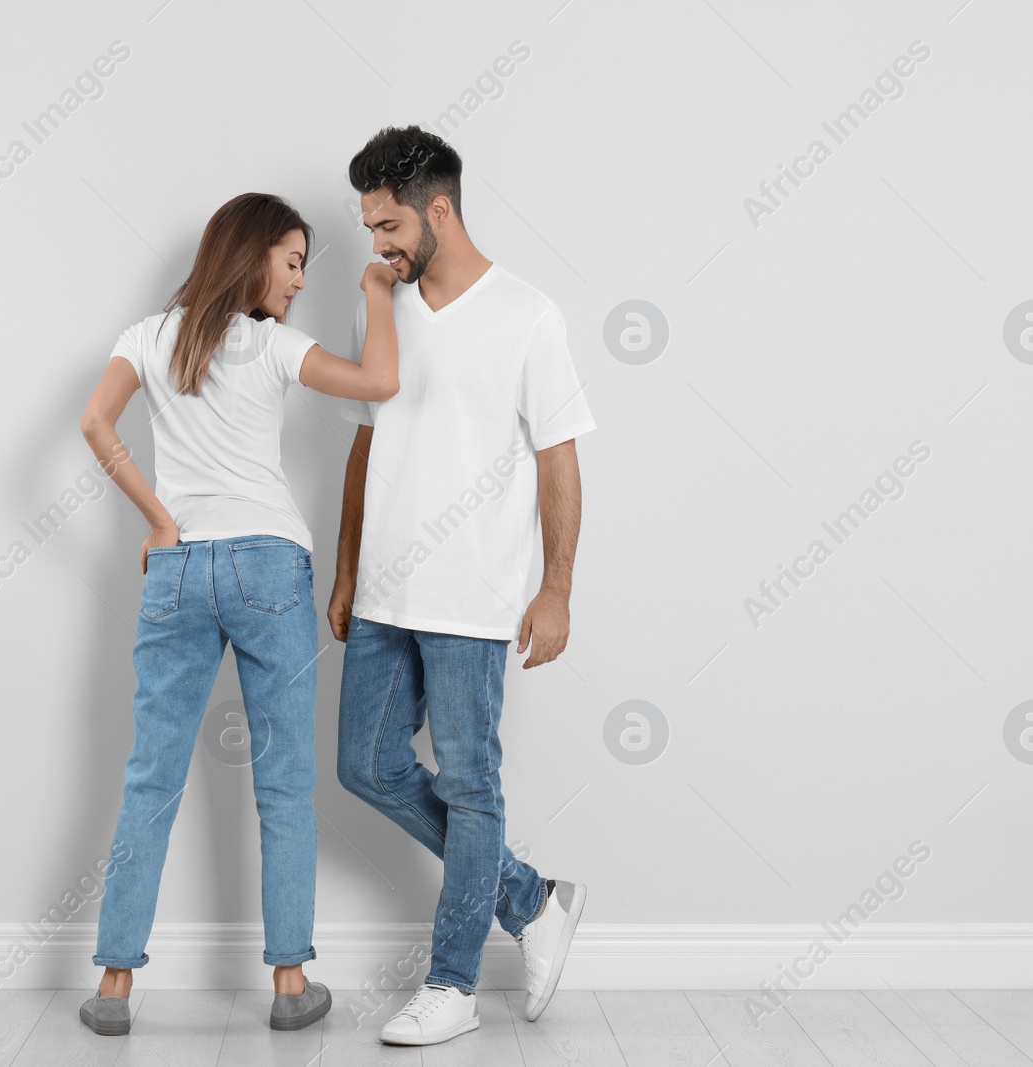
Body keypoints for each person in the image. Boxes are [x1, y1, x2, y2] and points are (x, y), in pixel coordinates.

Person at [77, 192, 399, 1036]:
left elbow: (94, 422)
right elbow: (382, 384)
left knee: (151, 777)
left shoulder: (148, 338)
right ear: (253, 254)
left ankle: (113, 989)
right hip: (269, 566)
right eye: (293, 262)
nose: (297, 281)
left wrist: (157, 518)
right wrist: (374, 291)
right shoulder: (273, 345)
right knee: (285, 782)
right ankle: (290, 983)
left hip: (177, 570)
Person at [330, 127, 597, 1047]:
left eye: (391, 224)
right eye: (371, 227)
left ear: (439, 207)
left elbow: (559, 458)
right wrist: (347, 567)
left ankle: (453, 984)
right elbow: (367, 440)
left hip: (473, 593)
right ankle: (531, 897)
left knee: (474, 785)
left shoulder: (529, 314)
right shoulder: (386, 305)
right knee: (365, 764)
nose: (381, 245)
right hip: (381, 595)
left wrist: (555, 587)